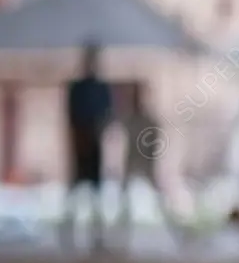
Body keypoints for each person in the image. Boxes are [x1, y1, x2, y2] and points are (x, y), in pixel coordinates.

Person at [62, 43, 113, 246]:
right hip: (81, 142)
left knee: (96, 192)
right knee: (75, 189)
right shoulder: (78, 88)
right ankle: (68, 232)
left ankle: (96, 236)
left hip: (95, 143)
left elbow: (107, 116)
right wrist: (79, 137)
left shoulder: (101, 89)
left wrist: (98, 133)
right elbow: (72, 117)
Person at [118, 83, 183, 239]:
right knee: (124, 198)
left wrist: (150, 160)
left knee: (159, 197)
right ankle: (121, 235)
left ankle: (175, 231)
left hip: (145, 163)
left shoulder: (147, 121)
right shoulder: (129, 120)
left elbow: (154, 140)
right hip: (133, 162)